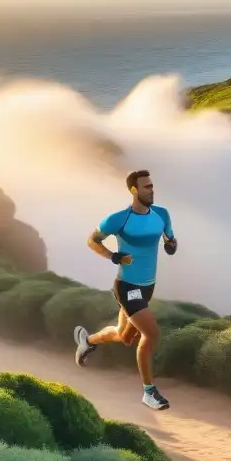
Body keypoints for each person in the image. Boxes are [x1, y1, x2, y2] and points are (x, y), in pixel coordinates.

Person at [73, 169, 177, 410]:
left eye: (152, 186)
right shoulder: (119, 219)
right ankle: (149, 392)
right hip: (127, 286)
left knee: (124, 337)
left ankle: (87, 341)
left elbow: (170, 243)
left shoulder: (162, 214)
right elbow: (92, 240)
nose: (151, 190)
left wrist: (171, 245)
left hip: (147, 286)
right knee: (151, 334)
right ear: (134, 190)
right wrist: (113, 255)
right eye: (146, 187)